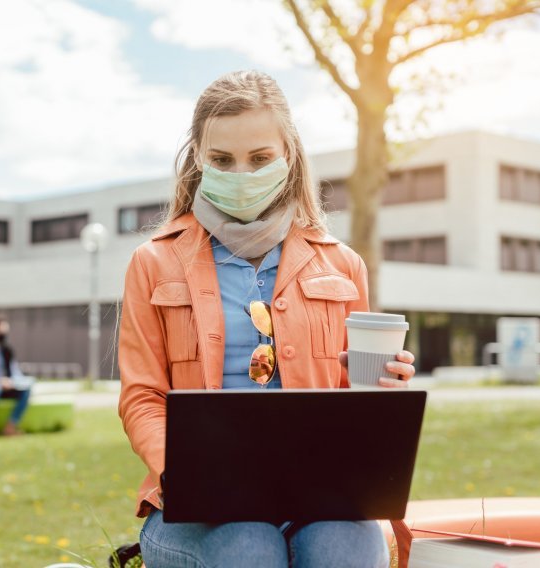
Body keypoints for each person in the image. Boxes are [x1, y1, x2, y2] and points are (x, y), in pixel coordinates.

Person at [117, 70, 417, 568]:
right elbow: (141, 397)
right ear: (197, 158)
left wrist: (385, 395)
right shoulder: (153, 263)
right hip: (197, 510)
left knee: (350, 550)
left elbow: (354, 401)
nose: (241, 175)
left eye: (259, 159)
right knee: (249, 549)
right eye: (221, 160)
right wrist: (184, 471)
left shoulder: (343, 265)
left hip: (322, 500)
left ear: (288, 156)